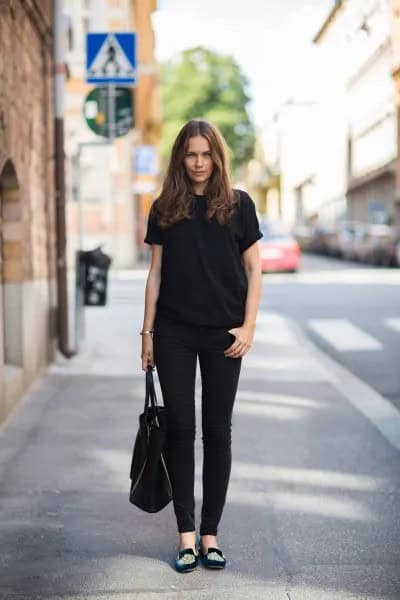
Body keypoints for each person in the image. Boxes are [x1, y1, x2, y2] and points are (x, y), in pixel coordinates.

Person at [141, 118, 263, 572]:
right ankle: (186, 536)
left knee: (217, 431)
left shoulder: (238, 205)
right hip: (173, 331)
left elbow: (255, 270)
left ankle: (211, 534)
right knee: (179, 429)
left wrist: (248, 327)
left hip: (223, 335)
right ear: (180, 158)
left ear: (217, 157)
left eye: (205, 154)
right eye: (190, 154)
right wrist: (147, 333)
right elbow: (155, 274)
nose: (198, 163)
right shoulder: (165, 206)